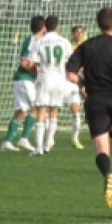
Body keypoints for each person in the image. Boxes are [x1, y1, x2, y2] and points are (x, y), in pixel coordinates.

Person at [65, 7, 112, 219]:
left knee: (101, 150)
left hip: (95, 100)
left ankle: (107, 174)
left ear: (98, 24)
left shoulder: (86, 46)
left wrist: (83, 81)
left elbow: (69, 73)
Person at [29, 15, 73, 156]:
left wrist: (35, 71)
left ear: (45, 27)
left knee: (41, 112)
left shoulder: (40, 41)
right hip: (60, 80)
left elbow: (31, 62)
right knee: (54, 112)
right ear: (57, 26)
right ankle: (48, 144)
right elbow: (70, 60)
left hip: (46, 78)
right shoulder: (64, 42)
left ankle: (39, 147)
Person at [1, 15, 45, 152]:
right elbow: (24, 61)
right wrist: (36, 70)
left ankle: (7, 142)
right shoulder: (33, 40)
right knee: (38, 106)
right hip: (24, 78)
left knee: (21, 110)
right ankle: (24, 138)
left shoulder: (38, 41)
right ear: (43, 27)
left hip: (24, 79)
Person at [66, 25, 88, 149]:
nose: (79, 34)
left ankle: (75, 139)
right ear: (73, 34)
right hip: (65, 80)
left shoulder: (86, 46)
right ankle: (49, 139)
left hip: (77, 80)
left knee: (76, 109)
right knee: (53, 109)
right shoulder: (67, 46)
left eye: (81, 32)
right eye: (77, 32)